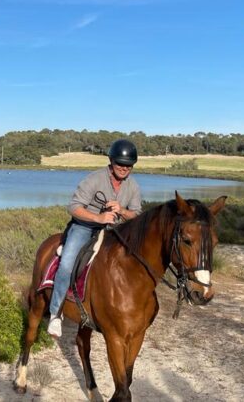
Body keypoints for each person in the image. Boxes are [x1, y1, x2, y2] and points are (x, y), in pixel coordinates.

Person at [47, 139, 143, 339]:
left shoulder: (132, 186)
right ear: (111, 161)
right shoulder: (94, 179)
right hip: (85, 227)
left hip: (113, 231)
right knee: (66, 264)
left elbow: (136, 215)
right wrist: (98, 217)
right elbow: (74, 207)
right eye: (120, 164)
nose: (124, 168)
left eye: (128, 165)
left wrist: (122, 211)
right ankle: (55, 313)